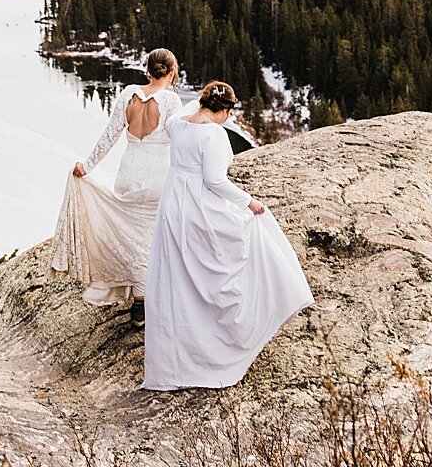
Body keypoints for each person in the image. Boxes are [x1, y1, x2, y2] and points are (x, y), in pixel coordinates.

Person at [142, 81, 313, 391]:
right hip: (198, 207)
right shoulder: (214, 135)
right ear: (225, 110)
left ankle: (176, 356)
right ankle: (226, 341)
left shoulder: (176, 125)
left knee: (178, 277)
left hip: (173, 205)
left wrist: (202, 99)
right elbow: (215, 181)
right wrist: (250, 202)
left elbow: (185, 110)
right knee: (248, 237)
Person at [50, 48, 183, 315]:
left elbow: (109, 136)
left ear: (148, 70)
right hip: (157, 176)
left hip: (128, 175)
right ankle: (145, 298)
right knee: (151, 237)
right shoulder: (171, 102)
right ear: (170, 73)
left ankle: (138, 295)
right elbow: (181, 142)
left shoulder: (127, 94)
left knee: (131, 235)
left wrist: (86, 166)